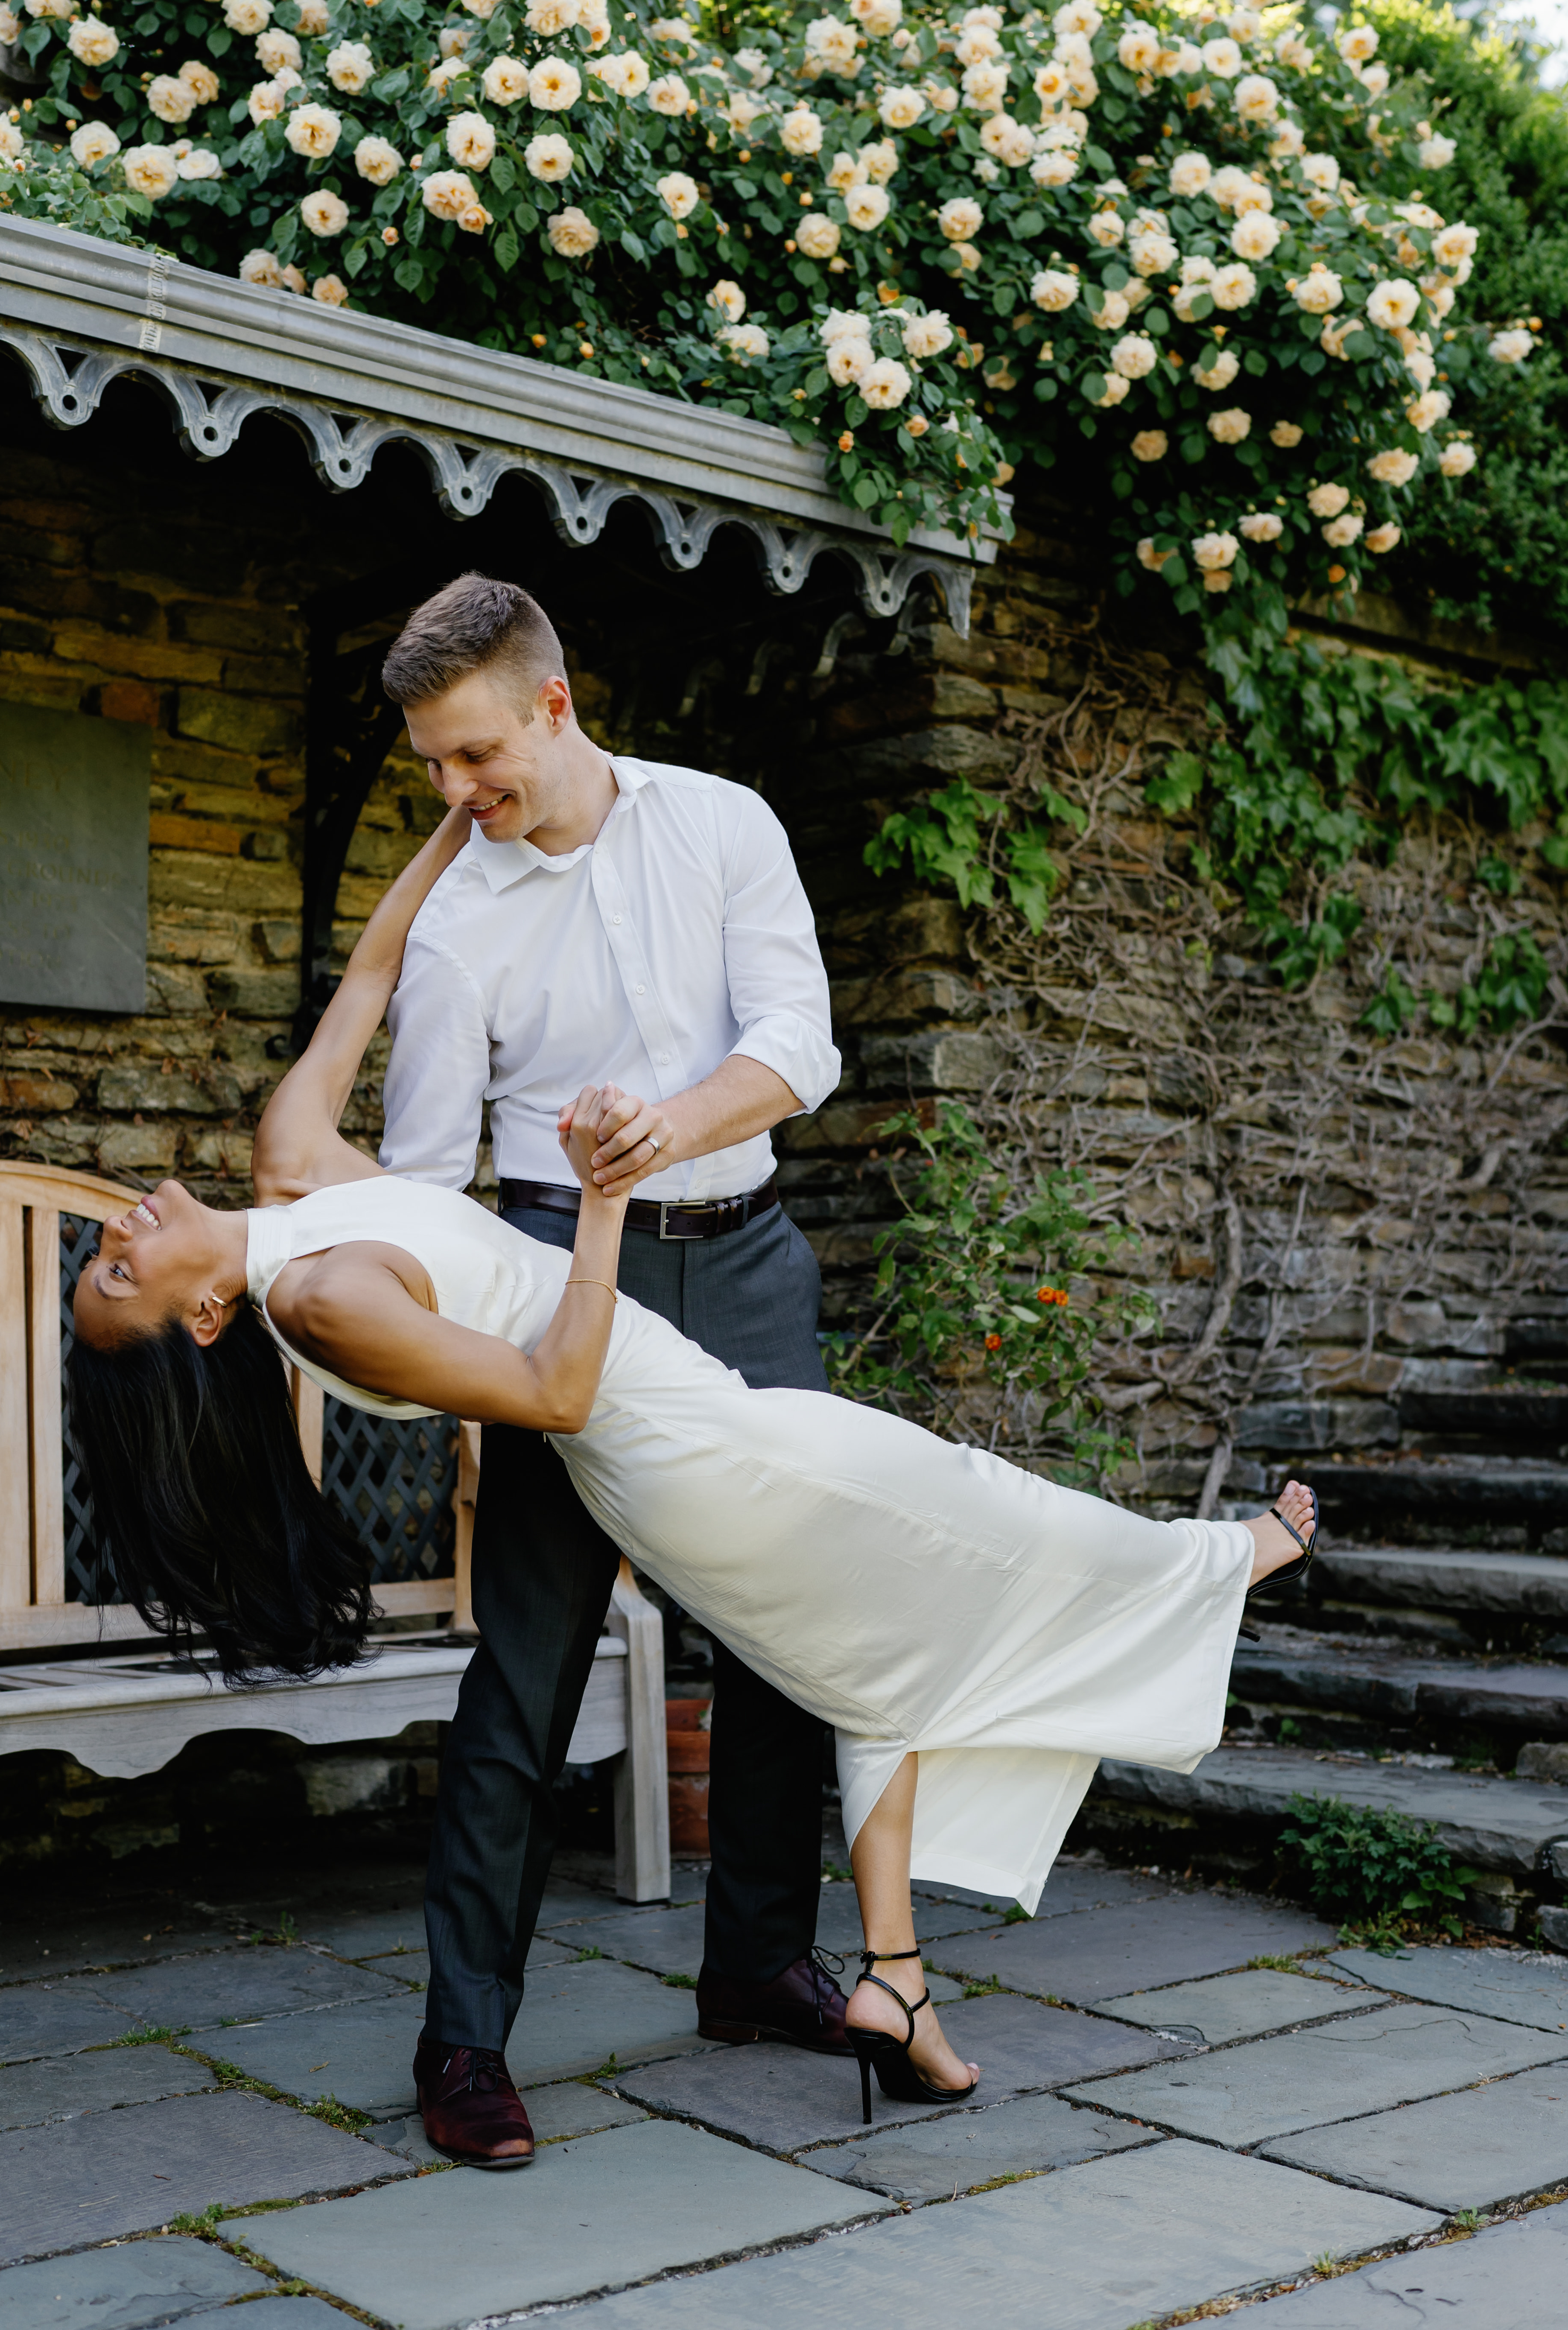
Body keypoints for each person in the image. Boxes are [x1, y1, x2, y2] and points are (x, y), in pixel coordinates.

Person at [68, 806, 1320, 2158]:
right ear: (200, 1326)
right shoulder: (319, 1300)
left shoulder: (292, 1173)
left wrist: (448, 831)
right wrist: (601, 1196)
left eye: (101, 1248)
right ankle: (1217, 1565)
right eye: (121, 1275)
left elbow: (370, 974)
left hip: (698, 1405)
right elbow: (552, 1395)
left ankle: (894, 1986)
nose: (122, 1231)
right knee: (957, 1524)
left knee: (870, 1639)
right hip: (676, 1450)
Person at [373, 574, 850, 2161]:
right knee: (527, 1666)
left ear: (555, 707)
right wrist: (454, 1365)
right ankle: (464, 2046)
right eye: (434, 766)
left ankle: (762, 1963)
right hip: (553, 1282)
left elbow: (803, 1034)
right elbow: (425, 1177)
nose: (458, 795)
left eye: (476, 756)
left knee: (787, 1631)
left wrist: (674, 1126)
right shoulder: (454, 924)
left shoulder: (725, 823)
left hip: (755, 1254)